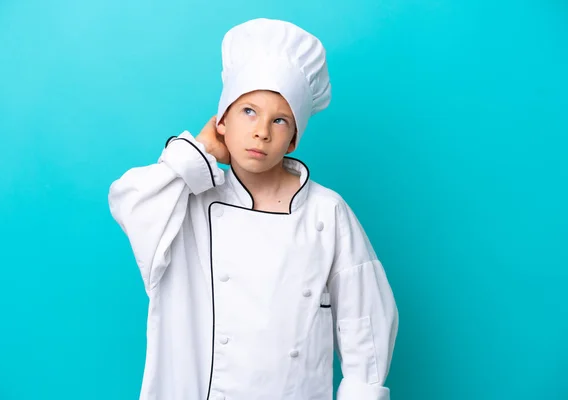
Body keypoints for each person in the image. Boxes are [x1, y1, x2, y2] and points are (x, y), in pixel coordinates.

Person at [109, 17, 398, 400]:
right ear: (221, 121)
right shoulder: (190, 202)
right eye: (247, 112)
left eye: (280, 120)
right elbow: (130, 201)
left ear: (293, 140)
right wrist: (197, 153)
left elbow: (365, 321)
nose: (262, 130)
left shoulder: (326, 213)